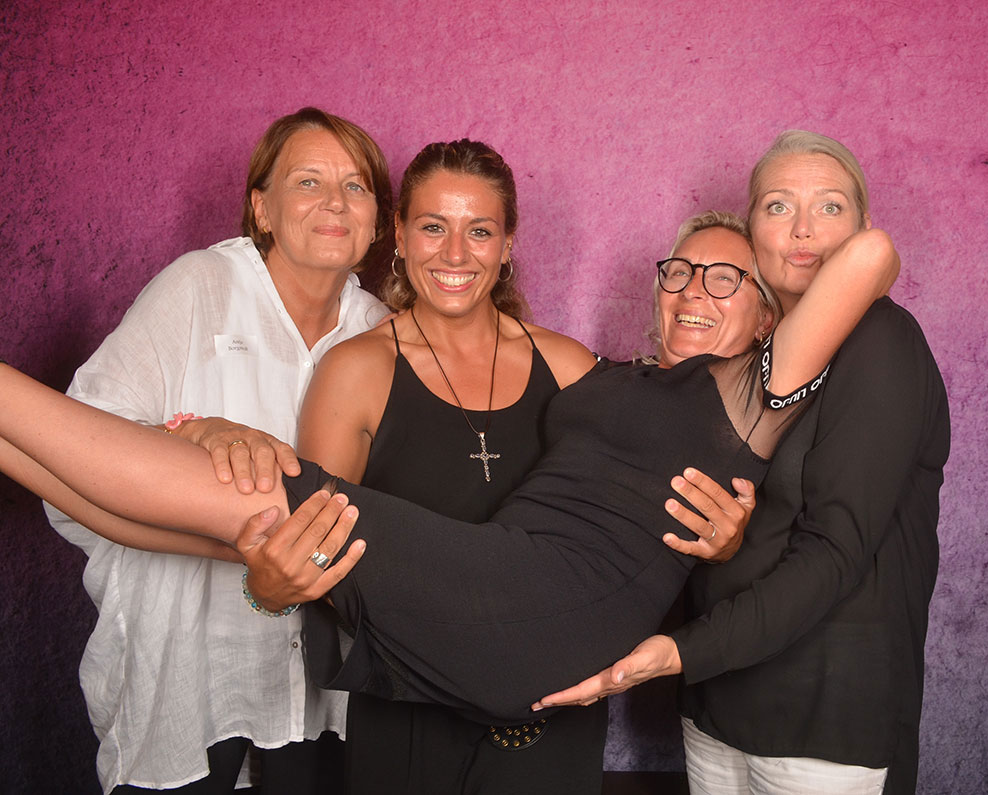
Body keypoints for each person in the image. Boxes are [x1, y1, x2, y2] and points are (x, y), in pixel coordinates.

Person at [0, 185, 896, 734]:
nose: (695, 290)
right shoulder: (607, 372)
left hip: (544, 608)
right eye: (680, 271)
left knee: (272, 497)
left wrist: (782, 253)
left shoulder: (752, 395)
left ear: (769, 314)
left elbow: (871, 253)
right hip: (504, 575)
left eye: (727, 278)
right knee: (246, 530)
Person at [536, 131, 951, 795]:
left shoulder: (882, 341)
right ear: (753, 229)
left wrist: (676, 653)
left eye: (830, 206)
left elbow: (836, 551)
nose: (803, 229)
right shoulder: (736, 370)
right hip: (715, 709)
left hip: (823, 726)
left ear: (863, 224)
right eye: (779, 206)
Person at [41, 108, 393, 794]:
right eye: (308, 180)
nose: (334, 201)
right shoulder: (199, 286)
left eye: (356, 186)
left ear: (378, 221)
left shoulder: (378, 330)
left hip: (319, 679)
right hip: (188, 659)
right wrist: (193, 430)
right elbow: (76, 439)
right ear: (261, 207)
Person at [296, 138, 607, 794]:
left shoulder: (570, 368)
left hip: (554, 716)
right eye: (434, 227)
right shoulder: (356, 370)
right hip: (409, 712)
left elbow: (608, 542)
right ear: (401, 234)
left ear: (508, 244)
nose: (456, 253)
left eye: (480, 231)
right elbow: (320, 554)